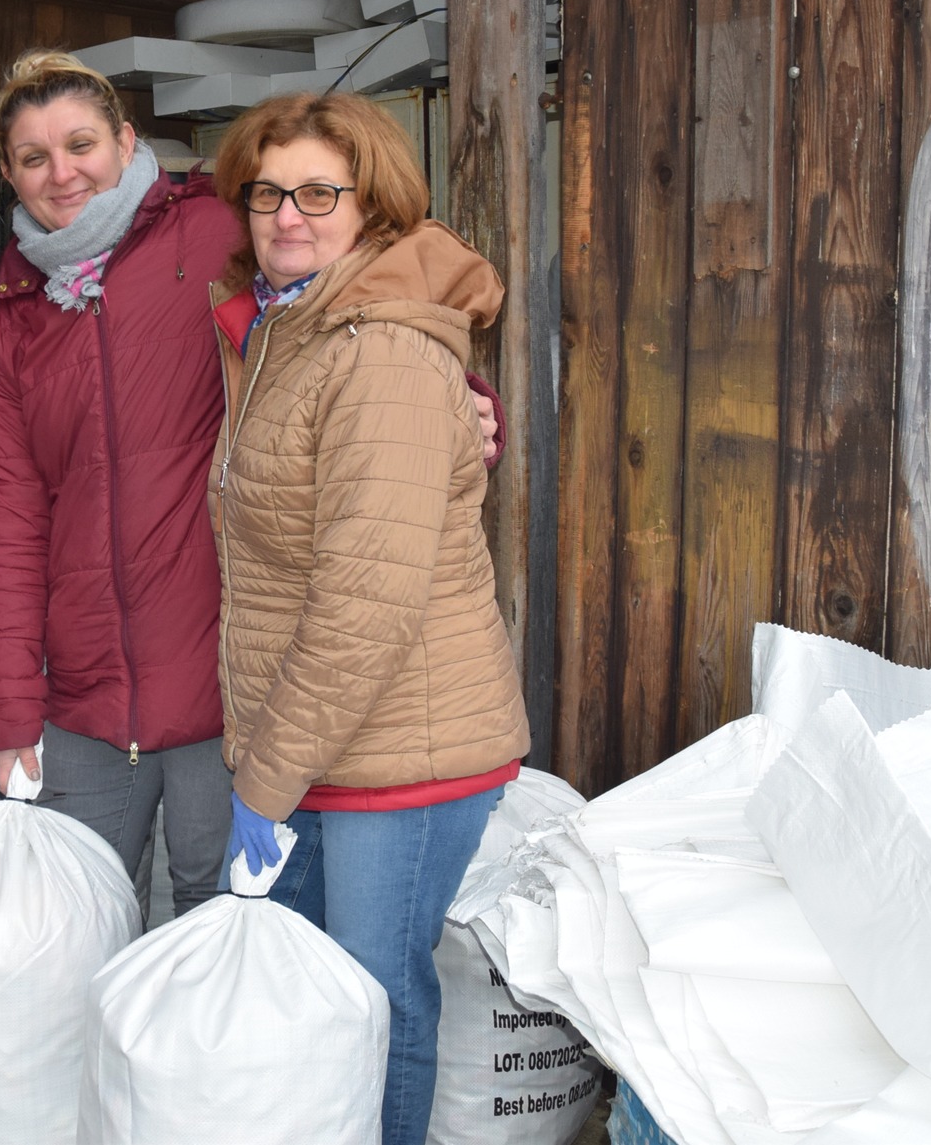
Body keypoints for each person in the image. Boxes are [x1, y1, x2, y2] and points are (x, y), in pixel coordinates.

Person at [0, 50, 505, 918]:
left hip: (230, 684)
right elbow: (3, 522)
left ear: (128, 140)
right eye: (34, 157)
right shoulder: (11, 315)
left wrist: (461, 404)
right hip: (88, 696)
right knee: (74, 930)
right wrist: (9, 702)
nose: (62, 172)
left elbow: (386, 285)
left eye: (81, 143)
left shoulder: (218, 222)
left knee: (223, 945)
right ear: (7, 176)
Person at [211, 91, 530, 1145]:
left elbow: (361, 599)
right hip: (323, 747)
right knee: (323, 1009)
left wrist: (262, 777)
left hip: (401, 750)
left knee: (372, 1007)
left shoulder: (374, 353)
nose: (287, 214)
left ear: (374, 209)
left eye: (317, 192)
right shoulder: (288, 330)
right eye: (267, 192)